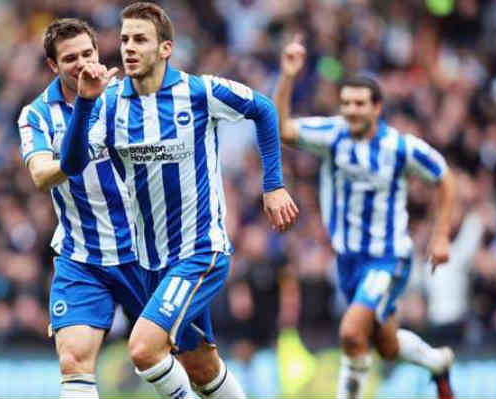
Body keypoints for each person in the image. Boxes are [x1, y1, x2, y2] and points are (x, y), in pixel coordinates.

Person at [59, 3, 299, 398]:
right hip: (150, 262)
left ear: (166, 48)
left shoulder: (199, 92)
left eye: (140, 39)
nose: (129, 48)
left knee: (143, 349)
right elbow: (71, 163)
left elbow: (264, 108)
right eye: (124, 40)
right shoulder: (110, 101)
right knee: (203, 368)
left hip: (199, 252)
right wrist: (85, 102)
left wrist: (272, 184)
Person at [274, 36, 456, 399]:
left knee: (351, 333)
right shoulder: (332, 135)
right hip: (349, 260)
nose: (351, 111)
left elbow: (443, 176)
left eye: (359, 104)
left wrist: (440, 235)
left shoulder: (400, 147)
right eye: (346, 104)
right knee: (386, 346)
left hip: (388, 258)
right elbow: (285, 129)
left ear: (377, 108)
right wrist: (288, 77)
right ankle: (437, 363)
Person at [18, 18, 147, 399]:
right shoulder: (37, 114)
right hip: (82, 255)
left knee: (189, 361)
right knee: (73, 361)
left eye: (88, 53)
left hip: (144, 251)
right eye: (70, 58)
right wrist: (70, 162)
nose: (82, 63)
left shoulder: (128, 97)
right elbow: (41, 175)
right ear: (53, 66)